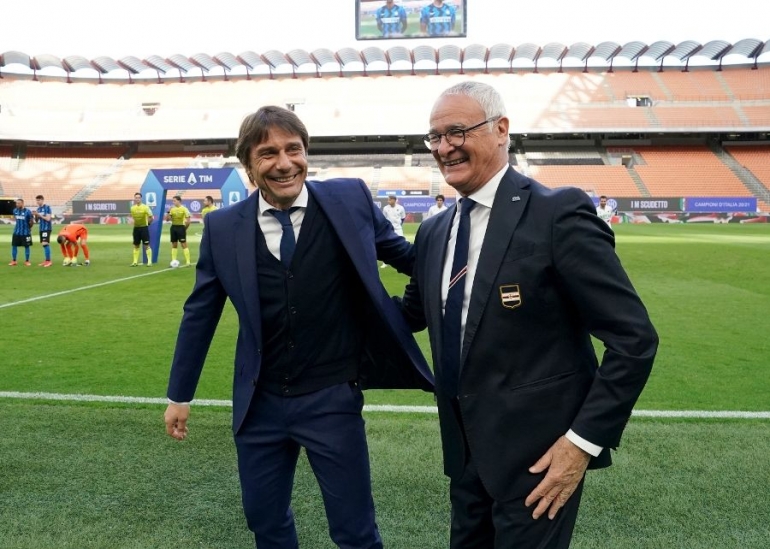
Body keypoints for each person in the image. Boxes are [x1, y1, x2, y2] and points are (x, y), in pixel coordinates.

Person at [399, 81, 658, 548]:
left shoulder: (556, 213)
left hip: (541, 461)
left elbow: (634, 339)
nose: (444, 147)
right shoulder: (434, 231)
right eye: (434, 137)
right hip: (464, 456)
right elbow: (409, 316)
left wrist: (581, 445)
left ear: (501, 130)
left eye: (457, 131)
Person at [163, 105, 433, 549]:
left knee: (356, 531)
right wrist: (179, 395)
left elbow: (411, 260)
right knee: (265, 524)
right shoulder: (222, 226)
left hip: (332, 397)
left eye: (294, 149)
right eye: (268, 153)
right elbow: (200, 314)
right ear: (248, 164)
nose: (285, 163)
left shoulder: (351, 199)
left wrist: (412, 314)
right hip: (259, 405)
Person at [164, 195, 192, 266]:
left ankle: (188, 262)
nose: (173, 202)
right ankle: (173, 261)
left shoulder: (184, 209)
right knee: (174, 244)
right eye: (173, 201)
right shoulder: (172, 209)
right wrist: (168, 212)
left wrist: (184, 229)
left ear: (179, 201)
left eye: (174, 201)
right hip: (173, 227)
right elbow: (167, 219)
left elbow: (188, 221)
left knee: (183, 244)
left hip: (181, 227)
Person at [380, 195, 407, 268]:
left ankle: (401, 260)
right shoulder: (386, 208)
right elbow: (384, 219)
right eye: (388, 200)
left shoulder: (400, 208)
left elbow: (403, 218)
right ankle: (385, 262)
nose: (388, 201)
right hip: (389, 230)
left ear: (394, 200)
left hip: (398, 229)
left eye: (389, 200)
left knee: (401, 245)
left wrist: (398, 225)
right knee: (386, 245)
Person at [130, 192, 154, 266]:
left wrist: (148, 224)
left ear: (141, 199)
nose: (137, 199)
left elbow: (151, 217)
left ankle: (149, 262)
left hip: (144, 228)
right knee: (136, 245)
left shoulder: (145, 207)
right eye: (136, 198)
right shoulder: (132, 208)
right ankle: (135, 262)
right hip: (136, 228)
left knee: (146, 244)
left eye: (138, 198)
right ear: (134, 198)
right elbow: (133, 217)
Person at [9, 198, 33, 266]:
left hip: (26, 232)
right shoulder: (15, 210)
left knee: (27, 246)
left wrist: (30, 228)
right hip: (17, 231)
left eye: (18, 203)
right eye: (16, 203)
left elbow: (31, 221)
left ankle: (27, 261)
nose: (17, 204)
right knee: (14, 246)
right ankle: (14, 260)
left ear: (22, 203)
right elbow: (16, 219)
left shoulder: (28, 211)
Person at [33, 195, 53, 267]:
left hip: (47, 228)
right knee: (43, 244)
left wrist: (39, 215)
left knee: (45, 243)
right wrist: (35, 215)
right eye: (37, 200)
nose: (37, 202)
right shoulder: (38, 209)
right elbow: (36, 221)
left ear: (42, 200)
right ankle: (46, 260)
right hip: (41, 228)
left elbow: (48, 219)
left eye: (39, 200)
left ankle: (48, 261)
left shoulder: (47, 207)